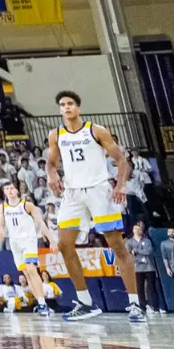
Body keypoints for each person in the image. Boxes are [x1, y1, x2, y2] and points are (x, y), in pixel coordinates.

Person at [46, 90, 143, 323]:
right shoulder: (55, 134)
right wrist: (51, 175)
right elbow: (51, 163)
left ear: (78, 108)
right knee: (65, 245)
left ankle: (135, 304)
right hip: (72, 194)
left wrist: (120, 186)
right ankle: (86, 302)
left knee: (117, 245)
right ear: (59, 109)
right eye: (62, 104)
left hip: (99, 190)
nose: (66, 107)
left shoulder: (96, 130)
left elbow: (121, 160)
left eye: (70, 103)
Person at [0, 179, 55, 317]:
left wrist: (52, 240)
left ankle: (43, 303)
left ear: (17, 190)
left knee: (31, 269)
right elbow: (1, 223)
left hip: (28, 240)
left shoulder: (27, 205)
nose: (10, 191)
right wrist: (0, 231)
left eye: (12, 188)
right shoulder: (3, 207)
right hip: (14, 242)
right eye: (7, 189)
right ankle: (40, 303)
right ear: (4, 192)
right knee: (26, 273)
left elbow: (41, 222)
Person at [130, 221, 160, 316]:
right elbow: (128, 253)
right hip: (138, 268)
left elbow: (149, 251)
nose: (137, 230)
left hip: (149, 267)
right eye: (136, 229)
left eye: (139, 229)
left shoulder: (146, 241)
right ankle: (142, 307)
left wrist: (136, 250)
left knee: (152, 288)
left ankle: (155, 306)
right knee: (140, 288)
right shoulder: (130, 241)